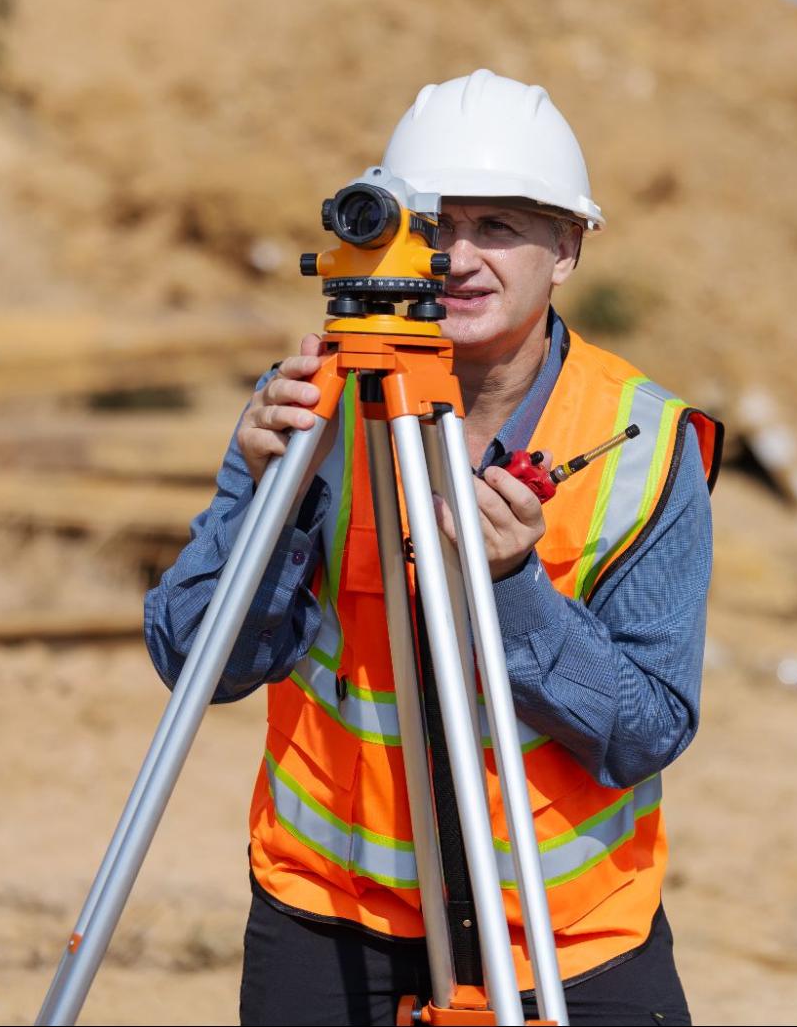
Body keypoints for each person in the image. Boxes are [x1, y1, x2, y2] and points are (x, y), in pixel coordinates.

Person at [146, 69, 720, 1026]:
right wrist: (273, 508)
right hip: (330, 916)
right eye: (433, 226)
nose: (457, 258)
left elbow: (646, 730)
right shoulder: (314, 404)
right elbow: (199, 663)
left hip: (564, 934)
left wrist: (512, 589)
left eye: (498, 227)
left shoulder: (644, 444)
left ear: (567, 247)